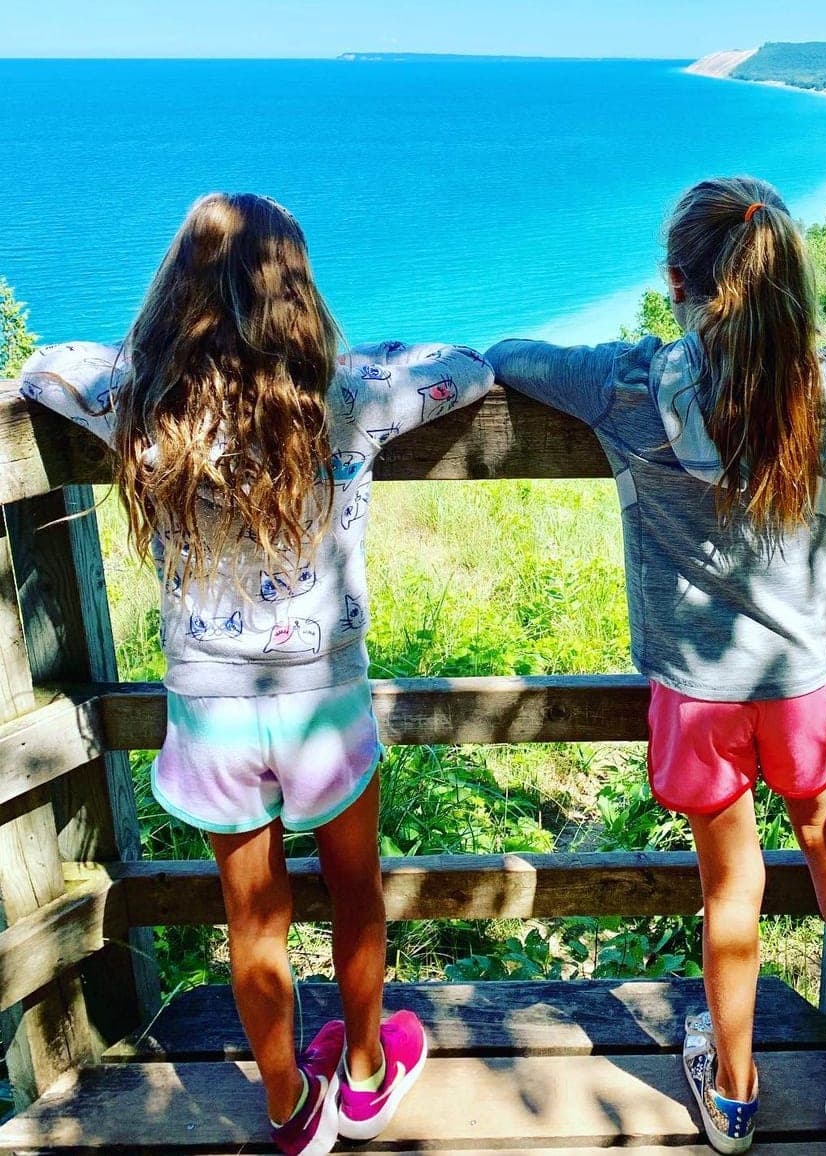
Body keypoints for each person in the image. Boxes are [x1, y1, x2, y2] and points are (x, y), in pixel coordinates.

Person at [486, 176, 826, 1153]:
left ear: (676, 281)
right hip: (801, 687)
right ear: (787, 288)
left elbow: (510, 357)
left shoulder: (627, 386)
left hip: (698, 695)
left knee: (733, 887)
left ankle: (731, 1092)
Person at [19, 192, 493, 1156]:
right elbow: (468, 370)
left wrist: (145, 358)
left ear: (176, 294)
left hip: (213, 712)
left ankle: (288, 1106)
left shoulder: (144, 403)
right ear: (296, 294)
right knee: (356, 892)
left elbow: (43, 368)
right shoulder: (345, 398)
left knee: (253, 915)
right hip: (324, 700)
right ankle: (364, 1075)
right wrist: (359, 356)